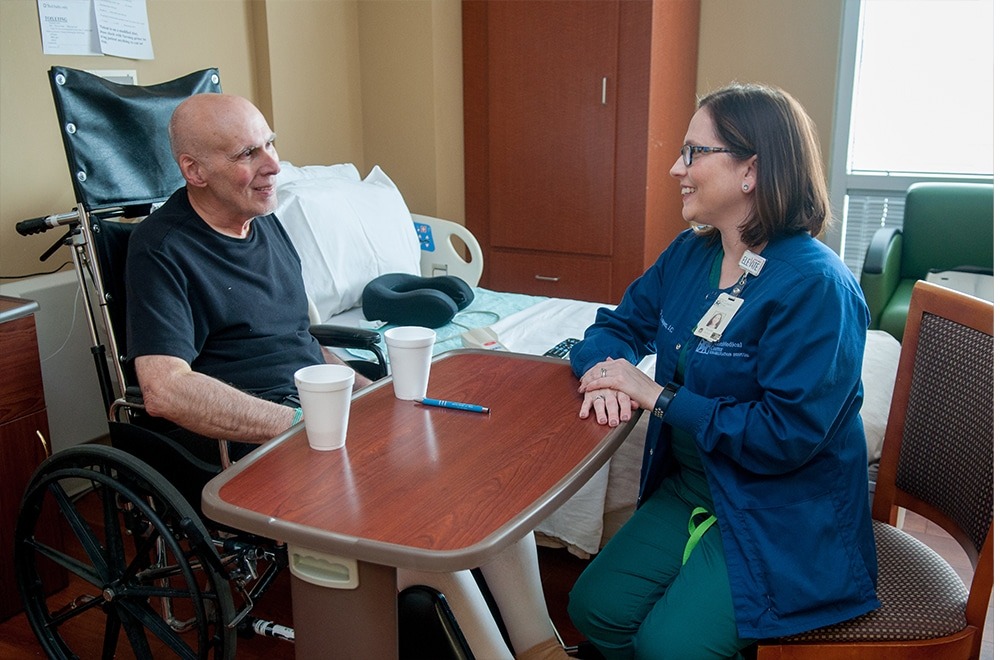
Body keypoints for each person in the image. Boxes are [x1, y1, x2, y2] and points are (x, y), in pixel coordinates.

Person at [126, 93, 567, 660]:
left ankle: (540, 648)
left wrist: (370, 395)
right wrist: (299, 422)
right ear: (194, 170)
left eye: (271, 143)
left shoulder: (266, 225)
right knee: (423, 533)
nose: (272, 166)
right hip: (244, 446)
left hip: (316, 414)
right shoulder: (161, 248)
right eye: (246, 154)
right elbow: (164, 388)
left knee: (483, 487)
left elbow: (298, 341)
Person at [566, 83, 879, 659]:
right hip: (693, 485)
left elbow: (785, 436)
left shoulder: (816, 288)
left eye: (692, 152)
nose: (673, 168)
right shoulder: (692, 254)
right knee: (593, 610)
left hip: (779, 511)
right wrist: (606, 371)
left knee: (668, 647)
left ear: (750, 171)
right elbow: (617, 326)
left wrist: (657, 396)